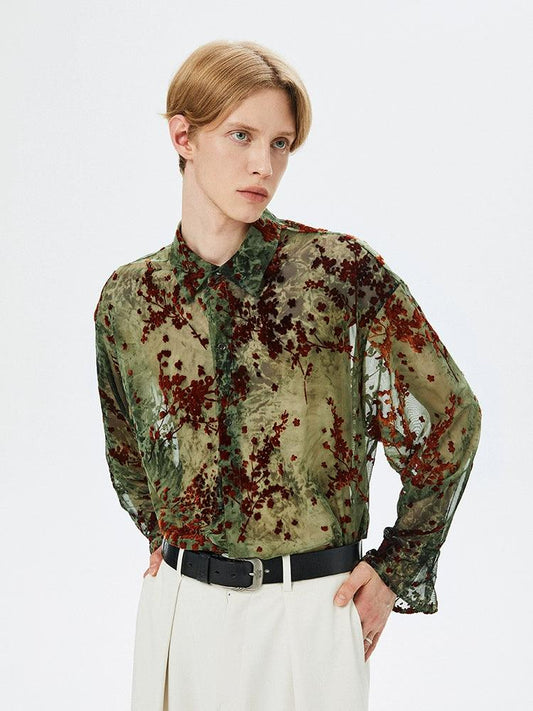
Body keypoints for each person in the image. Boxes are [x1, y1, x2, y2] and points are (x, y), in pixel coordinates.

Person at [94, 39, 482, 711]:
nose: (263, 165)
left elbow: (449, 415)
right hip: (179, 614)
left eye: (280, 144)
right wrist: (167, 535)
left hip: (308, 611)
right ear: (183, 136)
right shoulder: (129, 299)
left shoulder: (335, 272)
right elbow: (127, 444)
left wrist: (394, 568)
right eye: (241, 135)